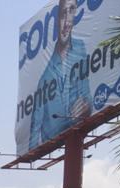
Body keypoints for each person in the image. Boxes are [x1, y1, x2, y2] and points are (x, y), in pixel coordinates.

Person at [29, 0, 92, 151]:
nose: (67, 22)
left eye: (72, 10)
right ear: (56, 20)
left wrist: (86, 106)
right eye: (63, 13)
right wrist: (33, 153)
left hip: (77, 135)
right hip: (54, 145)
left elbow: (87, 96)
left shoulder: (80, 48)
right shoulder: (44, 81)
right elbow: (33, 139)